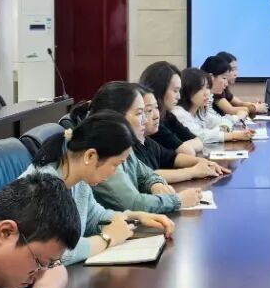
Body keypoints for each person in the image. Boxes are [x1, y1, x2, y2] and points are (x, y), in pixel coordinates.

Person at [20, 110, 176, 265]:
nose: (115, 172)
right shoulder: (43, 185)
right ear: (90, 156)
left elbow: (94, 217)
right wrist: (106, 239)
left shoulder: (78, 177)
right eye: (115, 164)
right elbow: (54, 253)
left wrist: (133, 218)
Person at [77, 81, 204, 213]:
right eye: (139, 113)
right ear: (116, 116)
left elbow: (146, 174)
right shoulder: (103, 151)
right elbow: (133, 203)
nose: (145, 120)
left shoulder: (123, 144)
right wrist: (178, 200)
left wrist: (155, 184)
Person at [135, 85, 230, 182]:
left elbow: (172, 158)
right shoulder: (130, 147)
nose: (156, 115)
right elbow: (147, 175)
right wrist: (193, 171)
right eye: (148, 111)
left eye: (156, 107)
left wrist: (204, 162)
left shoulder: (148, 141)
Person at [172, 68, 253, 145]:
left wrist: (223, 128)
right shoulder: (179, 113)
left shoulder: (200, 111)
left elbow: (223, 121)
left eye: (207, 87)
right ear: (187, 90)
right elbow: (200, 137)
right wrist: (232, 135)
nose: (206, 93)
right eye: (200, 88)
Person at [140, 61, 205, 155]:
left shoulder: (168, 116)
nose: (179, 96)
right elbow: (188, 152)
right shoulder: (153, 121)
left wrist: (182, 147)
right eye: (175, 91)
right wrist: (183, 147)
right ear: (160, 89)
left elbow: (198, 141)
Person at [212, 51, 268, 117]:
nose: (236, 73)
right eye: (232, 70)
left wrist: (254, 105)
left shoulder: (224, 87)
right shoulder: (216, 87)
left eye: (236, 69)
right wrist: (255, 108)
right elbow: (230, 110)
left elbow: (239, 103)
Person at [201, 55, 249, 122]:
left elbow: (215, 119)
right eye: (224, 78)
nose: (226, 84)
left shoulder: (209, 97)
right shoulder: (200, 100)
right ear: (211, 77)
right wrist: (238, 117)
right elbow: (213, 122)